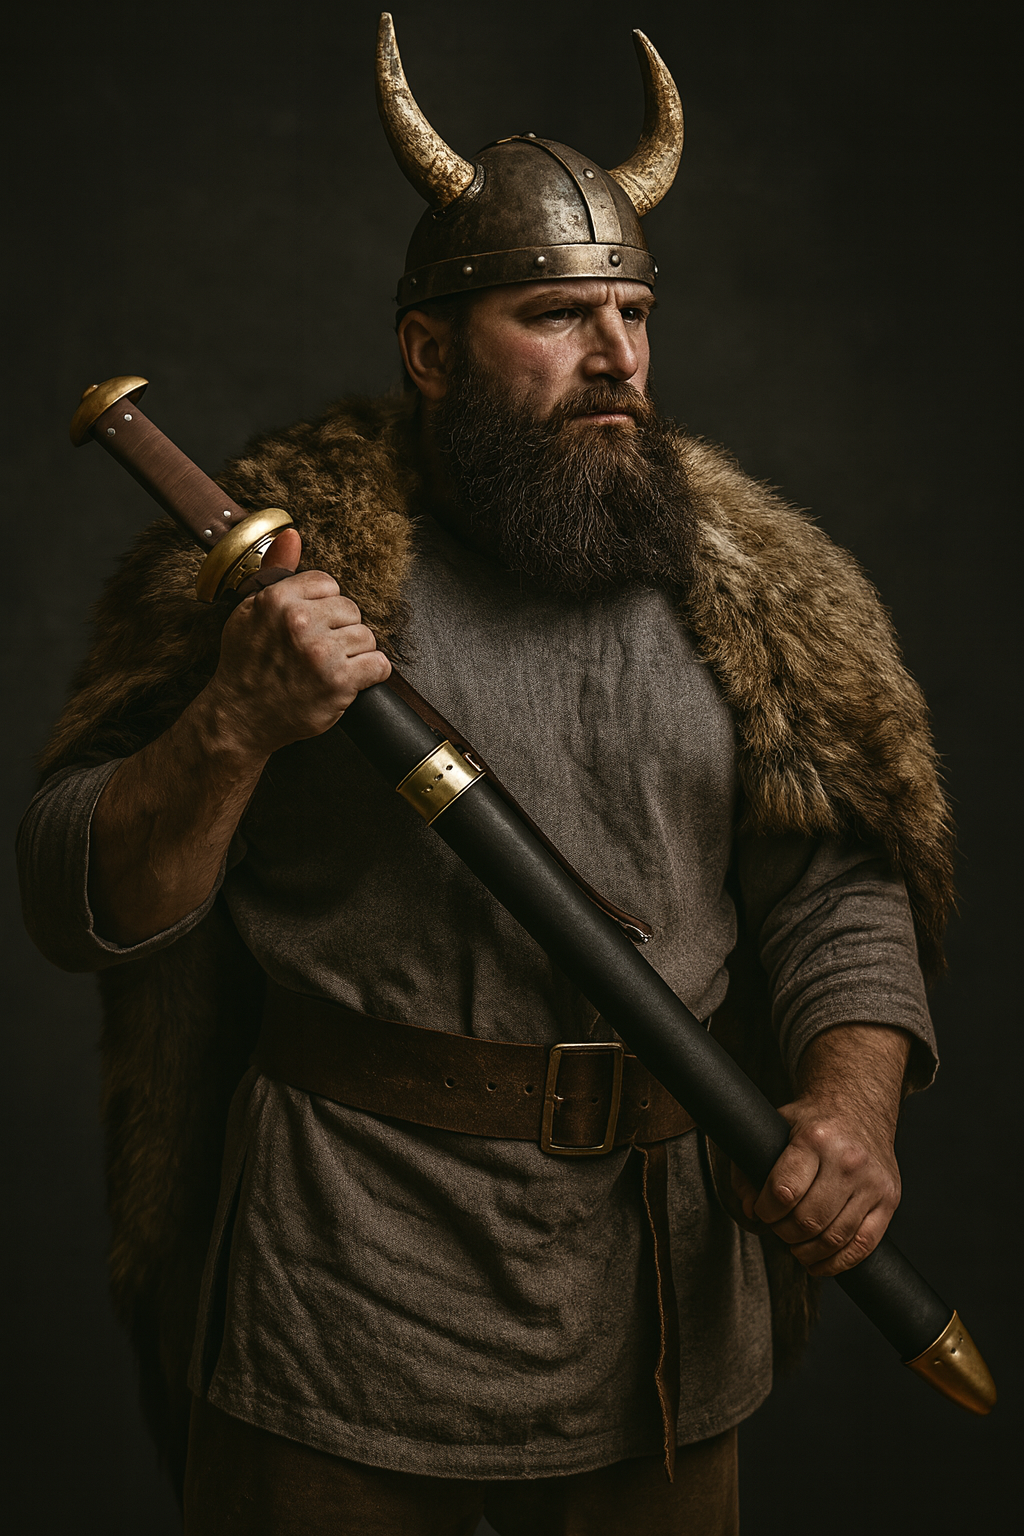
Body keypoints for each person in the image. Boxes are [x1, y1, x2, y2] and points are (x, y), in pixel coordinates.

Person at [18, 17, 953, 1535]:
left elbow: (835, 875)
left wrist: (853, 1112)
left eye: (635, 313)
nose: (617, 361)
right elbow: (78, 892)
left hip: (660, 1307)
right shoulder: (286, 575)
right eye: (556, 314)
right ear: (431, 346)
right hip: (347, 1292)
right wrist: (235, 725)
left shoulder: (749, 587)